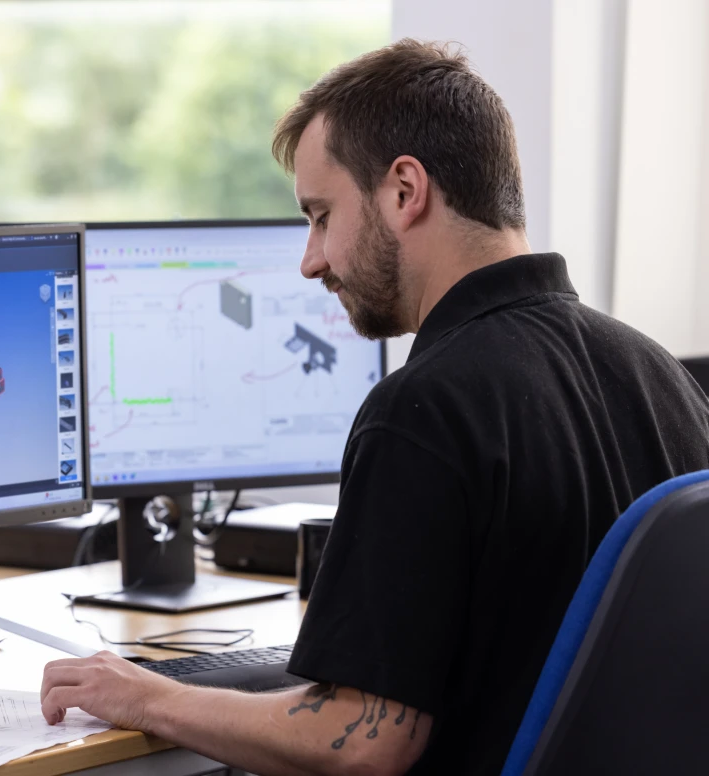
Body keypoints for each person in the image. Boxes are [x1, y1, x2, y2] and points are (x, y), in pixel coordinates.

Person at [39, 39, 709, 775]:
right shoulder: (660, 375)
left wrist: (142, 694)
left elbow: (365, 741)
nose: (311, 259)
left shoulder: (426, 409)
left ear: (403, 191)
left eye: (322, 215)